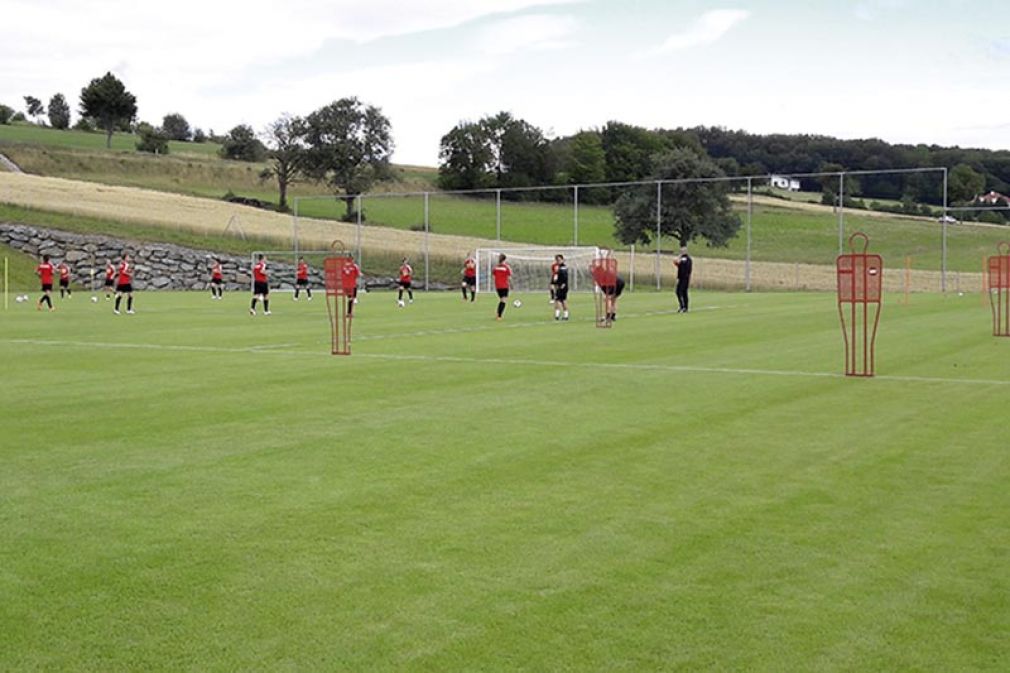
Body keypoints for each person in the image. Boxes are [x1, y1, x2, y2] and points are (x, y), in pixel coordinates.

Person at [492, 253, 512, 321]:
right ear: (505, 259)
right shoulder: (506, 267)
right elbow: (509, 277)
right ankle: (499, 316)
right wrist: (511, 285)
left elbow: (493, 275)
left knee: (501, 300)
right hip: (504, 286)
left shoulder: (495, 267)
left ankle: (498, 314)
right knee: (503, 300)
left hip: (497, 286)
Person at [674, 246, 692, 313]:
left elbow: (686, 267)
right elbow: (676, 262)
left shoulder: (687, 259)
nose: (681, 252)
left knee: (682, 292)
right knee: (679, 292)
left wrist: (679, 259)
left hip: (685, 278)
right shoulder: (682, 258)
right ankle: (683, 306)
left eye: (682, 251)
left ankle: (684, 307)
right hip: (680, 278)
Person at [552, 254, 569, 321]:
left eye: (559, 260)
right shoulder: (557, 267)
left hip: (563, 286)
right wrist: (554, 283)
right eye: (557, 260)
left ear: (562, 260)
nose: (558, 261)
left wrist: (563, 284)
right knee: (559, 300)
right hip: (559, 286)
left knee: (561, 300)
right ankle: (559, 315)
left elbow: (565, 277)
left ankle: (563, 315)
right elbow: (555, 276)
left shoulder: (563, 267)